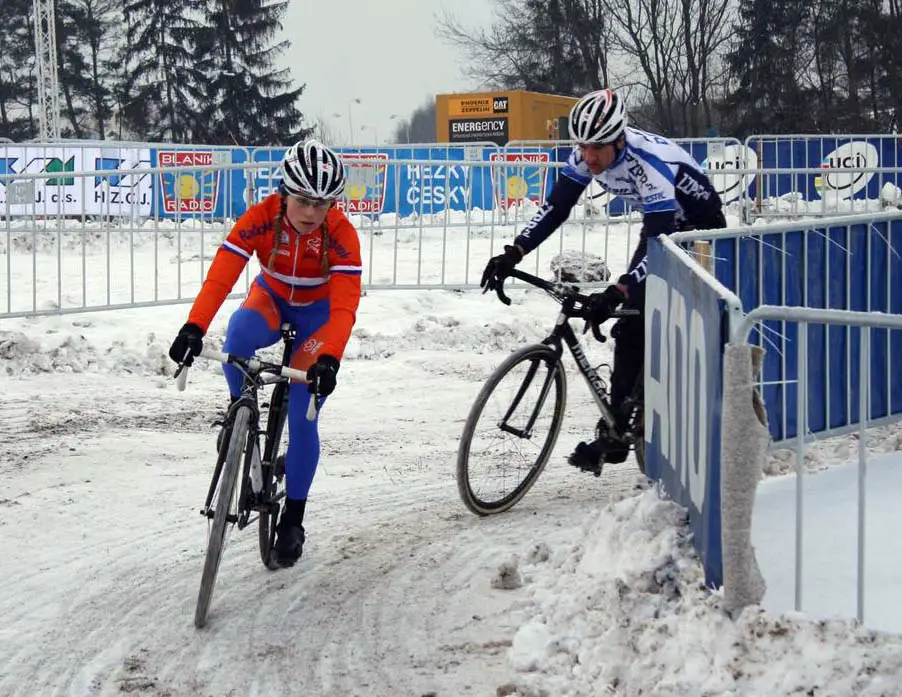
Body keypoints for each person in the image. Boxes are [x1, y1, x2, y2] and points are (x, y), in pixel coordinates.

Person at [480, 88, 726, 471]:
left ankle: (637, 422)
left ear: (618, 139)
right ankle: (622, 420)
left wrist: (620, 289)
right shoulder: (585, 155)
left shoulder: (649, 164)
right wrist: (515, 251)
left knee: (634, 315)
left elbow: (660, 243)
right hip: (661, 229)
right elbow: (556, 207)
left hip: (699, 231)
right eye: (583, 147)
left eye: (596, 148)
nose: (588, 157)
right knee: (629, 324)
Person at [168, 139, 362, 567]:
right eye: (304, 201)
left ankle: (293, 519)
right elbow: (222, 275)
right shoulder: (260, 218)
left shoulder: (341, 233)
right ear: (284, 192)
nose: (313, 212)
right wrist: (194, 325)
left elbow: (346, 303)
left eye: (324, 203)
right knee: (238, 335)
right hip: (271, 299)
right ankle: (241, 410)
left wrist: (329, 356)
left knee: (302, 411)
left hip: (320, 317)